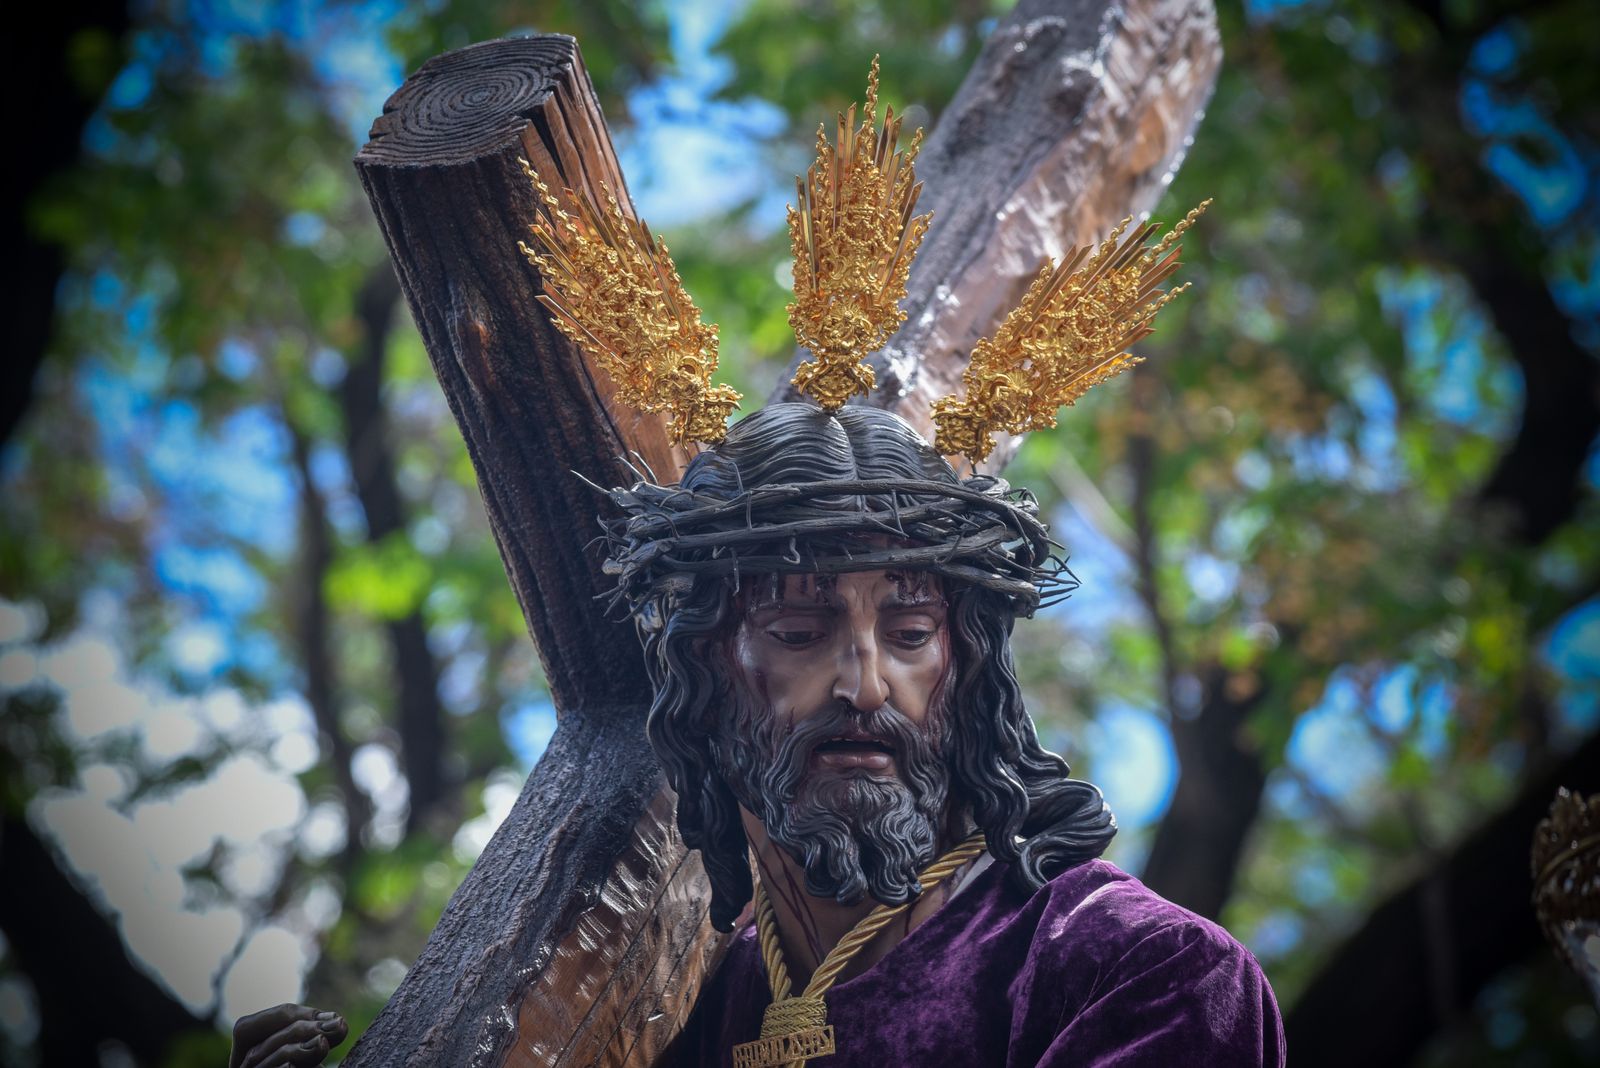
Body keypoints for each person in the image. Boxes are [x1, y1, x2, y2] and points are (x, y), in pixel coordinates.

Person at [606, 402, 1285, 1067]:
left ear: (965, 665)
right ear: (703, 667)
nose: (867, 687)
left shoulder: (1137, 967)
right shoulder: (676, 1008)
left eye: (909, 636)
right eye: (799, 634)